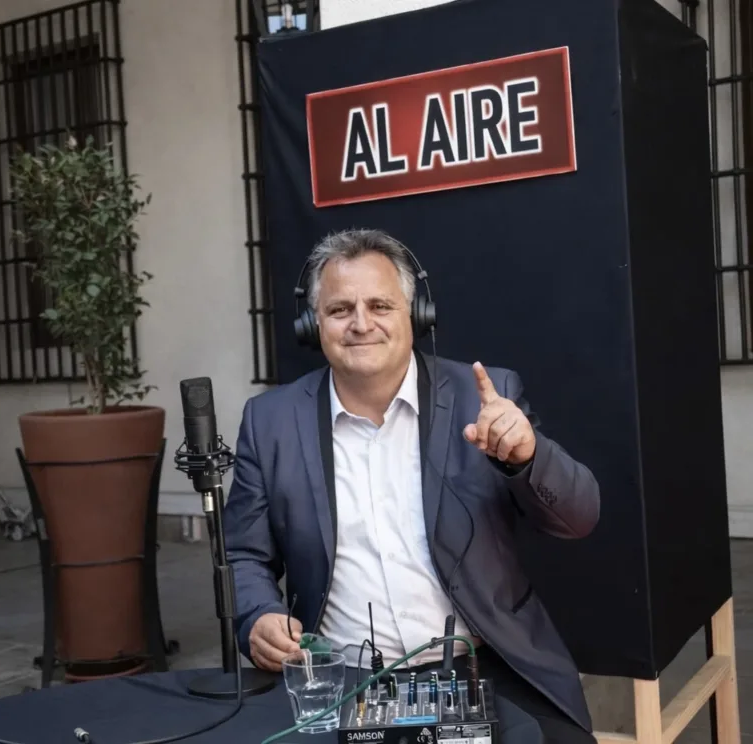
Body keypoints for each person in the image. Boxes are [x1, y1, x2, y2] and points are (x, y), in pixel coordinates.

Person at [223, 228, 601, 743]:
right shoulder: (268, 422)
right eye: (340, 310)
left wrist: (529, 455)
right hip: (342, 679)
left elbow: (579, 518)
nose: (361, 323)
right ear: (313, 325)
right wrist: (258, 616)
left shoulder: (484, 399)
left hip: (483, 664)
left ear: (416, 315)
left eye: (380, 304)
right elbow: (244, 555)